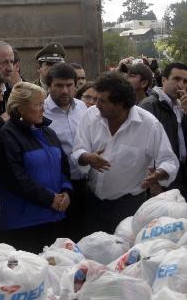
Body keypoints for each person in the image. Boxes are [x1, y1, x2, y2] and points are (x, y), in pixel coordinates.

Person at [72, 72, 179, 234]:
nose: (96, 104)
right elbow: (78, 149)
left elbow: (169, 161)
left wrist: (158, 174)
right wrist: (87, 157)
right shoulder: (90, 116)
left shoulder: (149, 125)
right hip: (93, 202)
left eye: (103, 101)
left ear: (121, 104)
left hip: (129, 206)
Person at [0, 82, 72, 253]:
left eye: (43, 104)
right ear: (20, 108)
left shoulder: (48, 133)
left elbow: (63, 167)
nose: (43, 109)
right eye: (38, 104)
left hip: (54, 217)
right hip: (23, 222)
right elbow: (16, 178)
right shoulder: (7, 135)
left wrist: (66, 192)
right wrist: (50, 199)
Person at [43, 63, 87, 241]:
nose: (65, 91)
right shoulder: (41, 111)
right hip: (57, 188)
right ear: (49, 86)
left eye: (69, 85)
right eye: (59, 86)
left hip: (84, 183)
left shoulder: (83, 108)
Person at [139, 62, 187, 197]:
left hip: (180, 173)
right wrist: (156, 181)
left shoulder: (181, 105)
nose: (181, 85)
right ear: (164, 80)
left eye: (185, 81)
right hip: (162, 178)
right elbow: (143, 146)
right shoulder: (149, 105)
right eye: (176, 79)